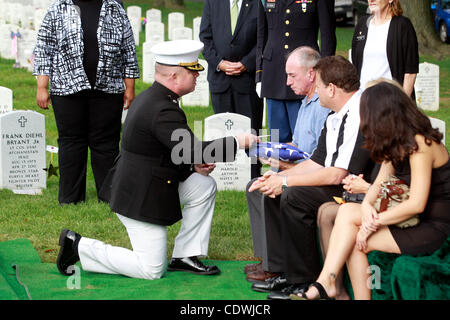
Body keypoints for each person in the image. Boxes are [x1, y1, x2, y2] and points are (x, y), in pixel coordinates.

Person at [55, 40, 258, 280]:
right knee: (151, 269)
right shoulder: (163, 108)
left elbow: (167, 149)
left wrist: (192, 165)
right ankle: (78, 246)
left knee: (203, 186)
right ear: (174, 76)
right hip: (139, 196)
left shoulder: (158, 99)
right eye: (192, 72)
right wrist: (237, 142)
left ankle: (185, 255)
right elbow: (193, 150)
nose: (197, 77)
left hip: (150, 182)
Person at [293, 81, 450, 300]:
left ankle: (334, 288)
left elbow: (417, 204)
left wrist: (373, 223)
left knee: (357, 240)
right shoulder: (396, 141)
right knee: (349, 213)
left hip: (432, 226)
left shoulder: (421, 144)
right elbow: (378, 184)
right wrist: (366, 207)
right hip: (408, 218)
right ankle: (327, 282)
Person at [247, 56, 374, 300]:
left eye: (318, 86)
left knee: (294, 196)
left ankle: (305, 281)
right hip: (339, 184)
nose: (315, 92)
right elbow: (316, 161)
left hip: (357, 190)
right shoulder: (336, 115)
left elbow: (338, 173)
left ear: (332, 89)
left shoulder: (357, 114)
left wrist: (285, 182)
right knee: (277, 191)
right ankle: (285, 270)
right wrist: (279, 177)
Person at [33, 0, 139, 205]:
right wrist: (41, 87)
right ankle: (70, 198)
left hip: (108, 87)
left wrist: (130, 87)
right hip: (67, 88)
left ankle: (109, 196)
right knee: (71, 142)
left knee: (106, 144)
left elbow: (128, 50)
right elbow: (44, 48)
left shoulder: (114, 8)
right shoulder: (58, 8)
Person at [244, 46, 330, 283]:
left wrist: (283, 168)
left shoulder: (322, 106)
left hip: (310, 175)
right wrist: (271, 149)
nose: (287, 82)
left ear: (311, 73)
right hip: (297, 168)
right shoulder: (305, 101)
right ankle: (267, 259)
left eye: (292, 75)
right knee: (254, 186)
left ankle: (277, 266)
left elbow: (320, 160)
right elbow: (298, 143)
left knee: (268, 191)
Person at [200, 0, 264, 178]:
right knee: (222, 129)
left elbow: (262, 38)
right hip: (220, 79)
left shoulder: (258, 3)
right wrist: (219, 63)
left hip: (247, 80)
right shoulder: (213, 3)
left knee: (251, 131)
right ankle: (223, 176)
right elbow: (205, 37)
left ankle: (252, 175)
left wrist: (246, 63)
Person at [256, 0, 336, 143]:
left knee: (305, 139)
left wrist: (324, 74)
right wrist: (259, 74)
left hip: (306, 75)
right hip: (273, 74)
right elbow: (261, 35)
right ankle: (278, 166)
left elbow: (327, 35)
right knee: (276, 139)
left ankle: (302, 166)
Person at [351, 0, 419, 97]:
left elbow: (410, 71)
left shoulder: (403, 25)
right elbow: (355, 65)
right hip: (363, 100)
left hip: (390, 101)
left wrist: (402, 105)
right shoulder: (362, 24)